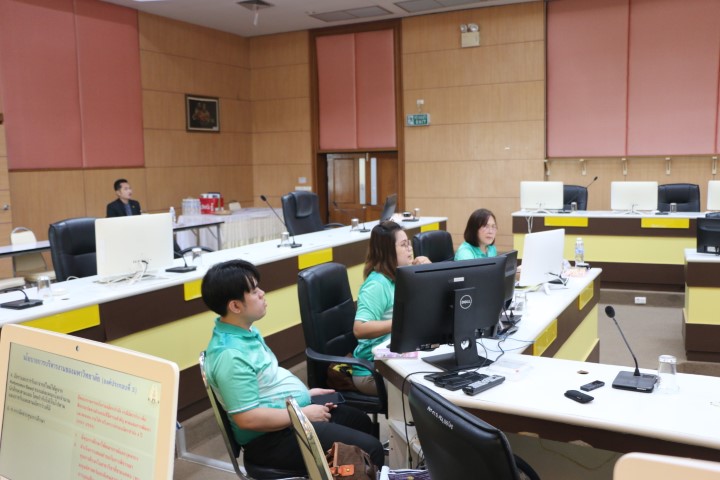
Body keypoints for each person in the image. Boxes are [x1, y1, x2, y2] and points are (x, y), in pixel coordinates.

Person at [201, 259, 384, 471]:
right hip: (270, 440)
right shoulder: (230, 355)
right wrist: (302, 413)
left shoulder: (245, 332)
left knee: (361, 421)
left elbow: (267, 382)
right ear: (235, 306)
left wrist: (305, 395)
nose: (262, 293)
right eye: (254, 291)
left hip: (289, 417)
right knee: (371, 450)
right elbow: (247, 419)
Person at [352, 221, 431, 395]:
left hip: (397, 355)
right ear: (387, 251)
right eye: (403, 245)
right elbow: (359, 329)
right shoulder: (377, 285)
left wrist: (429, 271)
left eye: (409, 243)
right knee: (425, 390)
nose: (410, 249)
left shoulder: (401, 276)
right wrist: (400, 322)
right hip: (372, 370)